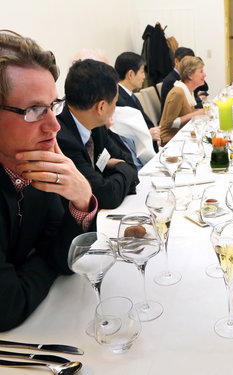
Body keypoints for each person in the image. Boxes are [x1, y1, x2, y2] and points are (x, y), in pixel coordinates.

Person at [0, 30, 97, 331]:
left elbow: (69, 258)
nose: (54, 125)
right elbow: (8, 308)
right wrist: (48, 258)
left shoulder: (36, 165)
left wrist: (81, 199)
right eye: (34, 110)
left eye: (53, 106)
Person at [57, 59, 139, 209]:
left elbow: (130, 163)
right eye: (114, 103)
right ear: (101, 107)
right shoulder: (63, 140)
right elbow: (106, 196)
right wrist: (122, 167)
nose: (114, 108)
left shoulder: (95, 126)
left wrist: (121, 169)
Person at [114, 51, 161, 148]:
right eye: (142, 71)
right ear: (130, 74)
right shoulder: (118, 100)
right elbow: (125, 137)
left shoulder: (130, 94)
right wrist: (148, 135)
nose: (144, 77)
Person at [159, 56, 206, 145]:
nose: (205, 75)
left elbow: (185, 112)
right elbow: (170, 124)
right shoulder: (178, 92)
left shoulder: (188, 90)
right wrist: (196, 114)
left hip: (181, 136)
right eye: (201, 71)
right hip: (169, 140)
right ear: (190, 75)